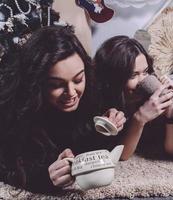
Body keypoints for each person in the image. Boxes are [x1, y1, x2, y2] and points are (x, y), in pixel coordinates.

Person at [0, 25, 126, 193]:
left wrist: (105, 128)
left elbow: (85, 146)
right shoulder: (14, 108)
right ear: (37, 83)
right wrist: (45, 177)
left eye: (78, 79)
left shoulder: (92, 90)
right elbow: (7, 166)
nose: (72, 93)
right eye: (56, 85)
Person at [94, 36, 173, 160]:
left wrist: (170, 113)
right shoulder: (105, 105)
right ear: (114, 78)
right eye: (133, 75)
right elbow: (122, 156)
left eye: (145, 71)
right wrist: (140, 118)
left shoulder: (151, 95)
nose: (142, 80)